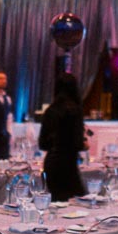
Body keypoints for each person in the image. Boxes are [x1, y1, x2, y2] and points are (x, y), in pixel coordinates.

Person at [39, 73, 87, 201]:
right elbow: (77, 143)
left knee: (56, 202)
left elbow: (42, 143)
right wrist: (84, 144)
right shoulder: (75, 110)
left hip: (51, 163)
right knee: (79, 201)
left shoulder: (50, 110)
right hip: (68, 164)